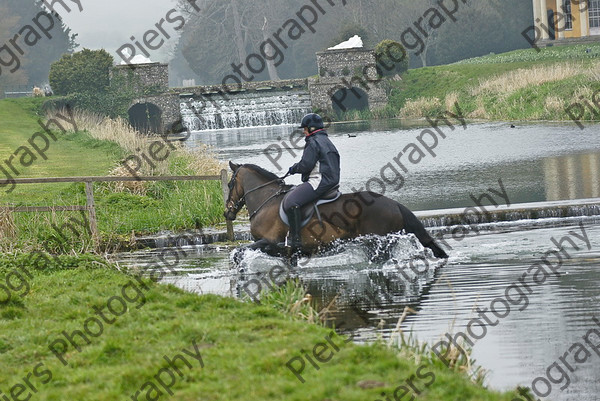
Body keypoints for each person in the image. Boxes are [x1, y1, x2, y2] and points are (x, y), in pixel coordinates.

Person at [284, 113, 340, 249]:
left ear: (312, 128)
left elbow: (306, 165)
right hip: (331, 181)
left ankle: (295, 239)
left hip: (319, 181)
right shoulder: (326, 140)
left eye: (305, 128)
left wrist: (293, 169)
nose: (303, 131)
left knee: (291, 201)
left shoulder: (313, 142)